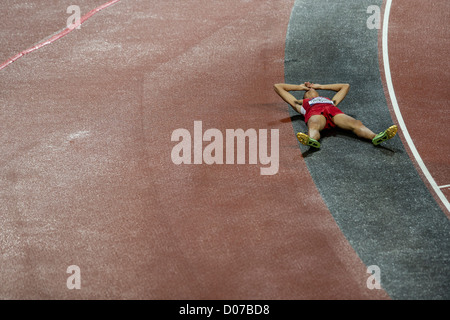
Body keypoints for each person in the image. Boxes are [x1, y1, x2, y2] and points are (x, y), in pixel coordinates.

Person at [273, 81, 397, 148]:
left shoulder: (331, 101)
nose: (310, 89)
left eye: (312, 88)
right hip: (315, 113)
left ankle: (375, 137)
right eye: (308, 90)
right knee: (314, 125)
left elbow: (345, 86)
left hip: (333, 111)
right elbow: (278, 87)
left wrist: (320, 86)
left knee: (355, 123)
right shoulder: (300, 104)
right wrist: (300, 88)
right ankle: (312, 140)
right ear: (304, 96)